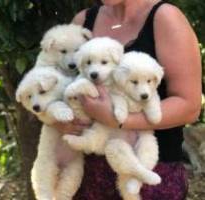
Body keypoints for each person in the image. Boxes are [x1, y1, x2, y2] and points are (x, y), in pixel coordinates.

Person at [54, 0, 202, 199]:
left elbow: (189, 106)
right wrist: (59, 119)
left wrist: (120, 120)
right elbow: (56, 87)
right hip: (85, 174)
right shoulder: (82, 21)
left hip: (149, 174)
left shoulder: (166, 18)